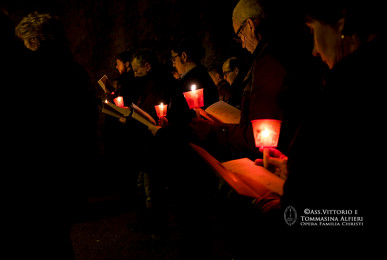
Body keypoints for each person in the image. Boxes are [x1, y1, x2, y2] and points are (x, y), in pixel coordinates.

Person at [260, 0, 385, 236]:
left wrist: (276, 209)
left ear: (343, 23)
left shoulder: (343, 96)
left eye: (313, 30)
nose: (315, 50)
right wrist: (296, 170)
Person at [14, 11, 98, 259]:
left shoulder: (32, 71)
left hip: (40, 174)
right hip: (71, 172)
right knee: (58, 237)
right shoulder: (76, 72)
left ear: (34, 40)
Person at [170, 37, 219, 110]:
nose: (173, 65)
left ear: (184, 56)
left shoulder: (183, 85)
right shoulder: (207, 78)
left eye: (174, 59)